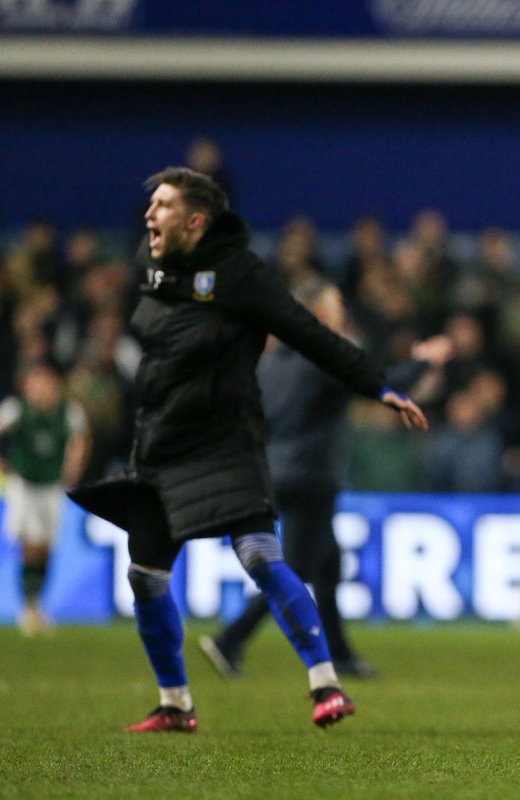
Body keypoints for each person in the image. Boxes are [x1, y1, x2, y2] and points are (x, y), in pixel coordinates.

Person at [68, 167, 428, 733]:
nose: (148, 215)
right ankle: (175, 703)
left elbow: (309, 333)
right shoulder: (153, 264)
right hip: (162, 444)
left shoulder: (239, 276)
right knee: (144, 575)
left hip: (226, 440)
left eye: (162, 206)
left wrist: (377, 385)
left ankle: (326, 684)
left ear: (196, 221)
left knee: (261, 555)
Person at [197, 277, 450, 680]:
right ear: (317, 313)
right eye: (334, 306)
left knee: (326, 565)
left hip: (277, 472)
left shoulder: (272, 360)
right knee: (294, 570)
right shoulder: (320, 355)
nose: (342, 313)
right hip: (309, 477)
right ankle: (231, 639)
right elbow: (380, 382)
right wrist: (425, 360)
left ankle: (341, 655)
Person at [0, 361, 90, 635]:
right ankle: (28, 607)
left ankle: (37, 605)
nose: (42, 392)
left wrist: (74, 465)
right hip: (25, 485)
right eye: (36, 385)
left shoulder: (69, 412)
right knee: (30, 545)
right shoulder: (16, 410)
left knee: (47, 546)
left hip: (52, 486)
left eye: (47, 386)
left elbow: (80, 438)